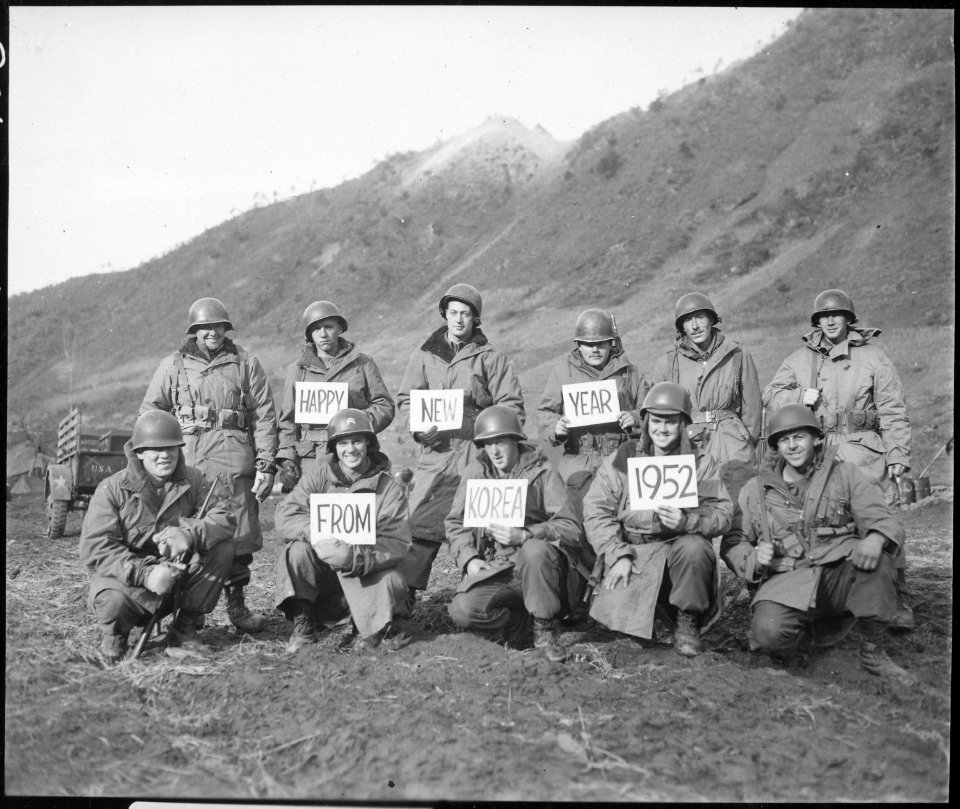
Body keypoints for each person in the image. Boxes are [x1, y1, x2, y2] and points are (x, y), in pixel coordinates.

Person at [719, 404, 917, 686]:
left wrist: (875, 538)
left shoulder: (844, 474)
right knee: (768, 637)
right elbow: (734, 541)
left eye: (799, 437)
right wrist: (753, 559)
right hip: (787, 579)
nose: (792, 446)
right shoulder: (757, 489)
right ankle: (809, 633)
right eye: (784, 440)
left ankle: (874, 651)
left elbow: (884, 519)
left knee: (879, 561)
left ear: (815, 439)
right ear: (776, 447)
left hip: (838, 572)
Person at [763, 289, 914, 630]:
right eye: (823, 317)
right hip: (821, 450)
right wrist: (800, 395)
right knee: (828, 518)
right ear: (816, 323)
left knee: (878, 515)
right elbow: (771, 396)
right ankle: (830, 593)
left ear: (849, 319)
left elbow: (893, 409)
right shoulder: (800, 359)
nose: (830, 321)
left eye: (837, 315)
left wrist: (897, 453)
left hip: (865, 450)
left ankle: (894, 593)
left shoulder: (875, 358)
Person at [140, 297, 279, 634]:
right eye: (205, 328)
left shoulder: (246, 364)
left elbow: (264, 417)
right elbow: (151, 413)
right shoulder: (172, 366)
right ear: (194, 332)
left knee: (238, 536)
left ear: (226, 329)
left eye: (218, 326)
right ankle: (189, 612)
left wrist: (266, 463)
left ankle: (237, 606)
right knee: (182, 533)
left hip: (234, 462)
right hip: (188, 462)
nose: (212, 333)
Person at [583, 382, 733, 656]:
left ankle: (688, 619)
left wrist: (688, 522)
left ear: (683, 425)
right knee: (623, 632)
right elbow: (596, 509)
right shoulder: (624, 456)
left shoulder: (700, 462)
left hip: (680, 556)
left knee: (694, 548)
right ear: (646, 421)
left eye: (671, 422)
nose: (662, 429)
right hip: (635, 554)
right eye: (656, 420)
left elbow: (722, 513)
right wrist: (617, 554)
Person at [396, 283, 525, 600]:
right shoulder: (425, 355)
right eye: (453, 312)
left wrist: (483, 424)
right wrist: (418, 427)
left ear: (475, 319)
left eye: (465, 314)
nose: (458, 319)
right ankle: (402, 603)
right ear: (445, 315)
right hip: (437, 455)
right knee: (417, 527)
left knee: (485, 529)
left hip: (478, 456)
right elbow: (407, 399)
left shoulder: (491, 358)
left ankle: (492, 597)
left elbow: (512, 407)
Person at [79, 410, 236, 665]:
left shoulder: (193, 480)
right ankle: (117, 636)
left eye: (171, 447)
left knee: (223, 548)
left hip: (176, 583)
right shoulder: (111, 489)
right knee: (111, 601)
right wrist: (146, 573)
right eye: (155, 449)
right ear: (139, 452)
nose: (165, 455)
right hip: (129, 585)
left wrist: (189, 534)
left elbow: (224, 517)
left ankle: (184, 626)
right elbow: (96, 547)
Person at [446, 405, 589, 662]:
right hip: (498, 567)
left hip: (543, 570)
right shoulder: (476, 473)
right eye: (488, 444)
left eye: (500, 442)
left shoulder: (542, 472)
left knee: (534, 550)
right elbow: (456, 523)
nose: (495, 451)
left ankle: (545, 628)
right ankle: (520, 623)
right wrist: (469, 559)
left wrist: (525, 536)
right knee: (462, 609)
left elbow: (571, 528)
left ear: (515, 441)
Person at [274, 408, 413, 654]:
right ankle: (304, 626)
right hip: (327, 579)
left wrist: (353, 557)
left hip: (366, 572)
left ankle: (371, 628)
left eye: (357, 441)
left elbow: (396, 543)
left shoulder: (388, 488)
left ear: (369, 444)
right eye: (343, 443)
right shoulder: (318, 478)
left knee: (394, 580)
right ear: (334, 447)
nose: (351, 450)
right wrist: (316, 532)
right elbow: (285, 516)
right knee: (296, 551)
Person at [537, 308, 650, 521]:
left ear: (611, 343)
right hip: (578, 458)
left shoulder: (629, 372)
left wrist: (634, 418)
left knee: (624, 518)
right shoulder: (563, 372)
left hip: (620, 457)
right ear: (579, 344)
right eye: (588, 344)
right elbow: (545, 412)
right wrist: (556, 427)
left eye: (601, 343)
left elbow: (649, 412)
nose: (595, 349)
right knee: (578, 520)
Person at [650, 292, 762, 503]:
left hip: (732, 444)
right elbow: (659, 413)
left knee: (741, 506)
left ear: (711, 319)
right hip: (689, 444)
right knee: (697, 508)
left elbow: (752, 409)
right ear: (681, 327)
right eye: (688, 320)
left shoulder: (737, 355)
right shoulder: (667, 363)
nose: (695, 326)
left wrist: (742, 440)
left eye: (700, 317)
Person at [276, 300, 395, 491]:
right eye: (316, 329)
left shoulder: (363, 364)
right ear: (309, 334)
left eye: (328, 327)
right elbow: (288, 421)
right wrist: (287, 461)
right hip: (310, 462)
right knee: (312, 517)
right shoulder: (297, 371)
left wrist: (358, 423)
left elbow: (384, 406)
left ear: (340, 328)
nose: (323, 334)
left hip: (353, 458)